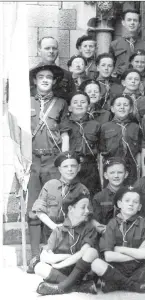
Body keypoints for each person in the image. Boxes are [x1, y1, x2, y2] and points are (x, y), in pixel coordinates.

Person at [27, 64, 70, 272]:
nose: (45, 80)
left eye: (49, 77)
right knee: (33, 210)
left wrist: (65, 160)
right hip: (32, 161)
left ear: (54, 82)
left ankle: (51, 255)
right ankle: (34, 257)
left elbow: (65, 133)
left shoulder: (61, 103)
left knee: (54, 208)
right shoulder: (25, 103)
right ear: (35, 81)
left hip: (53, 160)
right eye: (40, 77)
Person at [91, 187, 145, 294]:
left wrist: (119, 249)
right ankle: (135, 287)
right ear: (119, 204)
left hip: (138, 269)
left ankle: (116, 285)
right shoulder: (112, 224)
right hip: (116, 269)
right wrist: (137, 254)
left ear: (139, 207)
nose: (131, 204)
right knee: (96, 264)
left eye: (135, 202)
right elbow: (109, 256)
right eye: (127, 201)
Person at [29, 152, 89, 273]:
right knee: (39, 264)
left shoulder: (82, 189)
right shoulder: (50, 185)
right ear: (59, 169)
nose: (70, 169)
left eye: (73, 166)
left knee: (80, 258)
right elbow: (39, 211)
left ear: (78, 168)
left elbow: (86, 215)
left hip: (72, 236)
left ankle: (62, 264)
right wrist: (55, 227)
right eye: (66, 166)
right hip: (52, 234)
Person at [34, 191, 99, 295]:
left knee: (91, 252)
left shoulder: (89, 228)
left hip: (82, 272)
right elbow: (45, 257)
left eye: (88, 207)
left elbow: (84, 252)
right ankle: (81, 286)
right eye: (83, 207)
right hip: (64, 271)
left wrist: (59, 264)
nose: (87, 211)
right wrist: (67, 256)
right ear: (70, 209)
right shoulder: (58, 230)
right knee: (39, 267)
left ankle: (62, 287)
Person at [63, 91, 101, 194]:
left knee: (91, 194)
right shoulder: (65, 125)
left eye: (83, 102)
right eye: (75, 102)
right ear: (70, 108)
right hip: (71, 165)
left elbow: (101, 149)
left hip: (90, 166)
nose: (79, 104)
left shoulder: (96, 125)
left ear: (88, 107)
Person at [99, 95, 141, 186]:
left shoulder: (136, 127)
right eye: (118, 105)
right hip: (111, 168)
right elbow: (101, 154)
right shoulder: (105, 127)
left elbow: (138, 153)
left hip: (130, 169)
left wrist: (138, 173)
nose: (122, 107)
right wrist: (102, 178)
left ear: (130, 109)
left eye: (125, 105)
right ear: (112, 109)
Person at [110, 9, 145, 79]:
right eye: (129, 20)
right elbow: (110, 65)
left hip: (140, 81)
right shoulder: (114, 45)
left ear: (139, 24)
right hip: (120, 81)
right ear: (123, 22)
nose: (132, 23)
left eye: (135, 20)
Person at [31, 36, 76, 103]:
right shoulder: (31, 74)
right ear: (39, 51)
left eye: (54, 48)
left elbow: (72, 100)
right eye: (47, 48)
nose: (51, 51)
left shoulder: (67, 75)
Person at [92, 158, 128, 230]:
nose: (116, 176)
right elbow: (95, 221)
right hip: (105, 235)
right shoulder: (99, 197)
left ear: (126, 174)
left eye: (120, 172)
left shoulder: (131, 195)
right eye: (112, 173)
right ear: (106, 175)